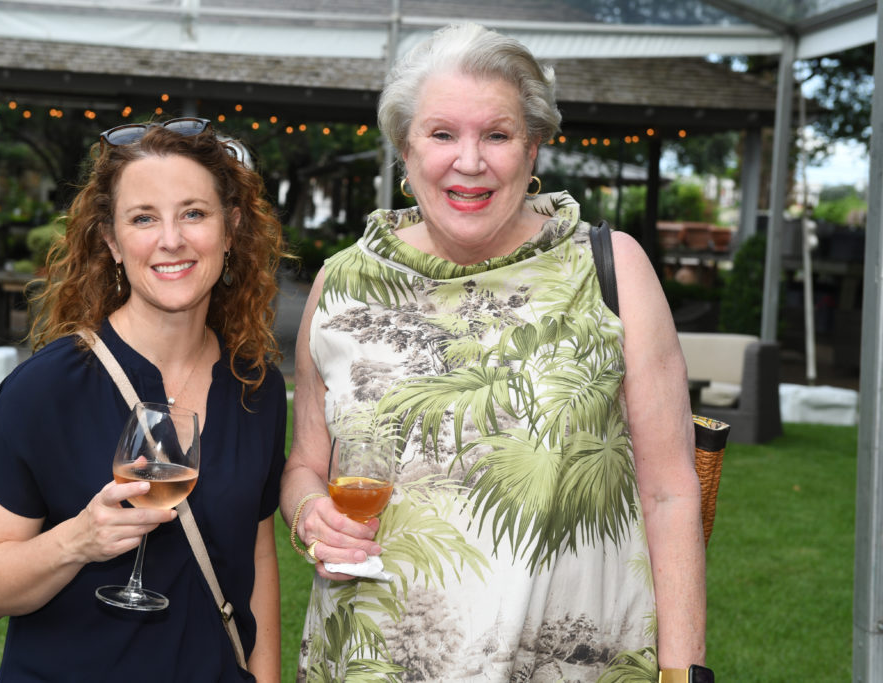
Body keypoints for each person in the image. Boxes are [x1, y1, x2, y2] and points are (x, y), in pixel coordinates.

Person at [281, 23, 707, 683]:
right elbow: (306, 464)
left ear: (533, 147)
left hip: (569, 663)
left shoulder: (611, 269)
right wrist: (311, 513)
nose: (470, 161)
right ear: (404, 146)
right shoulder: (341, 284)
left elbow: (670, 491)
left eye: (498, 135)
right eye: (442, 133)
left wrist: (686, 673)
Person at [0, 118, 287, 682]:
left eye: (194, 213)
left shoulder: (257, 385)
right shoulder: (43, 390)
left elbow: (256, 559)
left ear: (231, 230)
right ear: (111, 242)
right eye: (143, 218)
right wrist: (78, 540)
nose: (171, 240)